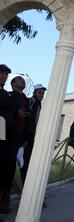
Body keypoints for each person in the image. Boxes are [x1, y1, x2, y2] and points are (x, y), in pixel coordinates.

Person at [3, 76, 30, 211]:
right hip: (6, 137)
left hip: (18, 140)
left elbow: (27, 122)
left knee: (11, 170)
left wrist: (24, 140)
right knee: (4, 167)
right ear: (13, 84)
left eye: (23, 80)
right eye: (20, 80)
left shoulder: (26, 99)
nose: (23, 81)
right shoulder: (8, 96)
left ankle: (5, 199)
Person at [20, 83, 47, 184]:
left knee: (30, 164)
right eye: (39, 92)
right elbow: (27, 121)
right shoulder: (30, 102)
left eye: (43, 93)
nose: (41, 95)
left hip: (32, 139)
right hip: (26, 138)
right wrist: (25, 139)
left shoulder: (39, 104)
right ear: (35, 92)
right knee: (25, 164)